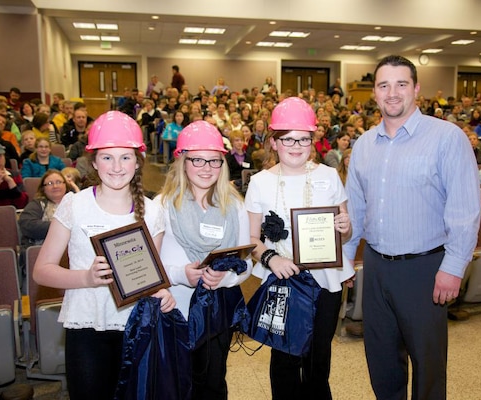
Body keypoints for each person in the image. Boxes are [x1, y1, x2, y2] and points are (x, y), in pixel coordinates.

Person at [344, 55, 480, 400]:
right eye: (384, 85)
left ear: (416, 89)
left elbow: (464, 210)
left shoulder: (447, 138)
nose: (392, 93)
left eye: (401, 84)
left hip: (426, 269)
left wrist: (453, 267)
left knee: (428, 361)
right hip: (375, 268)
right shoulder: (363, 146)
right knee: (381, 358)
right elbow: (356, 210)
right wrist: (345, 259)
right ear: (373, 92)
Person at [32, 111, 175, 400]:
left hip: (136, 326)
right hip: (87, 326)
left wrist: (162, 292)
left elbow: (150, 278)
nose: (117, 166)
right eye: (107, 157)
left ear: (138, 161)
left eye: (125, 157)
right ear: (94, 162)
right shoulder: (75, 205)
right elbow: (42, 271)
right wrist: (86, 276)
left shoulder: (154, 211)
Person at [245, 97, 354, 400]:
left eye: (303, 138)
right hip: (285, 280)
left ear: (312, 141)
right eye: (288, 138)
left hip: (326, 281)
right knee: (285, 358)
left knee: (318, 359)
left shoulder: (329, 176)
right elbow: (252, 240)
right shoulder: (260, 183)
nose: (296, 145)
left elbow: (345, 228)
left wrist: (345, 228)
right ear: (275, 142)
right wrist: (271, 257)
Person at [154, 120, 252, 399]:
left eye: (214, 161)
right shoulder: (163, 205)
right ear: (183, 162)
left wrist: (227, 277)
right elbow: (149, 266)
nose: (207, 167)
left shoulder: (235, 206)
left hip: (214, 314)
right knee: (175, 386)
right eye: (197, 160)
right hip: (173, 311)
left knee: (212, 386)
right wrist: (179, 274)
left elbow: (246, 264)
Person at [19, 169, 69, 251]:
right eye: (50, 183)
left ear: (65, 185)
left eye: (59, 182)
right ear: (43, 189)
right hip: (42, 250)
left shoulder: (75, 203)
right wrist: (61, 227)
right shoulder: (37, 204)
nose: (55, 186)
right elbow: (28, 224)